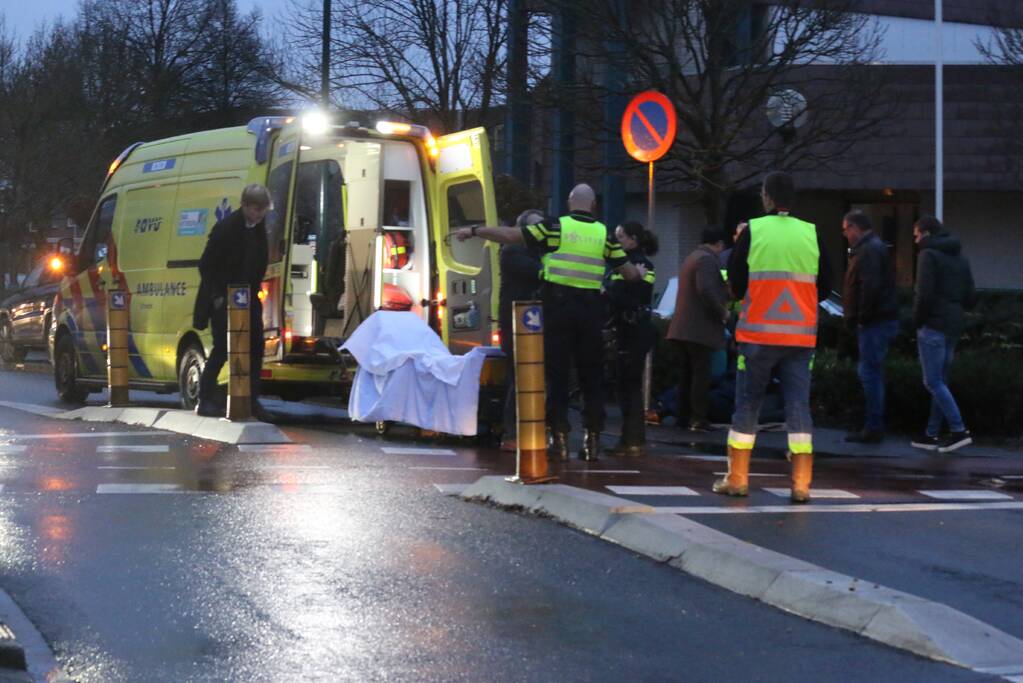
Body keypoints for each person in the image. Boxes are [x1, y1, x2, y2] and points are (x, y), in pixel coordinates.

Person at [453, 184, 643, 461]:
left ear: (569, 203)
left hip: (558, 309)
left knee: (557, 376)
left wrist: (473, 231)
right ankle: (592, 439)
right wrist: (638, 273)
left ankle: (560, 440)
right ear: (593, 206)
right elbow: (628, 273)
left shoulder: (555, 227)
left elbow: (510, 235)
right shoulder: (604, 234)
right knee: (591, 377)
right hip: (591, 312)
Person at [720, 171, 831, 503]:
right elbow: (826, 285)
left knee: (748, 405)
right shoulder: (811, 233)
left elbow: (736, 282)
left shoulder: (753, 231)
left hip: (757, 336)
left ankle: (737, 479)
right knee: (798, 407)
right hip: (799, 339)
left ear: (766, 197)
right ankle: (801, 484)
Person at [193, 184, 271, 419]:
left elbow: (259, 261)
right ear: (245, 205)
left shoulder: (258, 228)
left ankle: (251, 399)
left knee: (255, 346)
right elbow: (206, 264)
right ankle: (205, 398)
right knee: (222, 348)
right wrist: (218, 295)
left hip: (248, 296)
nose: (260, 214)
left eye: (263, 210)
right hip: (224, 297)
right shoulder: (226, 228)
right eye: (256, 209)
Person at [909, 216, 976, 453]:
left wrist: (917, 321)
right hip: (953, 325)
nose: (915, 240)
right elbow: (971, 296)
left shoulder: (927, 256)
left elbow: (924, 294)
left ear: (926, 233)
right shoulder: (960, 257)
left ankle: (959, 430)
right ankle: (931, 433)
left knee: (933, 381)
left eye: (916, 235)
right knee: (940, 382)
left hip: (933, 324)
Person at [841, 210, 899, 443]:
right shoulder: (873, 248)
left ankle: (874, 426)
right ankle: (873, 424)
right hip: (878, 320)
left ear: (855, 227)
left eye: (846, 229)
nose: (845, 234)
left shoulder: (868, 250)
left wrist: (861, 317)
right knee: (871, 372)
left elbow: (870, 287)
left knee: (869, 373)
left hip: (874, 322)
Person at [666, 227, 730, 432]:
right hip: (698, 328)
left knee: (687, 373)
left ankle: (682, 417)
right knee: (701, 374)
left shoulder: (692, 257)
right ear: (719, 243)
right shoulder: (707, 260)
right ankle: (698, 418)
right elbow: (706, 290)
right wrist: (722, 311)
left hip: (682, 327)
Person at [605, 221, 658, 457]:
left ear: (633, 239)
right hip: (633, 329)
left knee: (628, 385)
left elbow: (629, 297)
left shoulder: (638, 264)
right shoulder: (634, 265)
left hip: (632, 330)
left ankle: (632, 439)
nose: (616, 241)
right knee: (627, 385)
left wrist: (606, 291)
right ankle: (631, 439)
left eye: (620, 237)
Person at [498, 209, 544, 452]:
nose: (540, 232)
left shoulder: (534, 252)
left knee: (532, 378)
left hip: (533, 321)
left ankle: (529, 431)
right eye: (534, 227)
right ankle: (512, 433)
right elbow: (539, 272)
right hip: (516, 323)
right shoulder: (513, 252)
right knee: (519, 378)